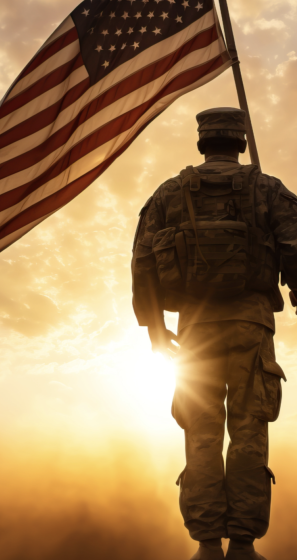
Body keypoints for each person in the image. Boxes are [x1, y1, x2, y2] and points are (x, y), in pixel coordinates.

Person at [131, 107, 297, 560]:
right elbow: (295, 244)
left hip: (195, 330)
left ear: (202, 143)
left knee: (201, 432)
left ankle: (207, 544)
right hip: (252, 325)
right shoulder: (267, 188)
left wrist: (155, 330)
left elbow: (142, 261)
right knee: (249, 431)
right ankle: (243, 543)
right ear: (241, 143)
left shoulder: (169, 193)